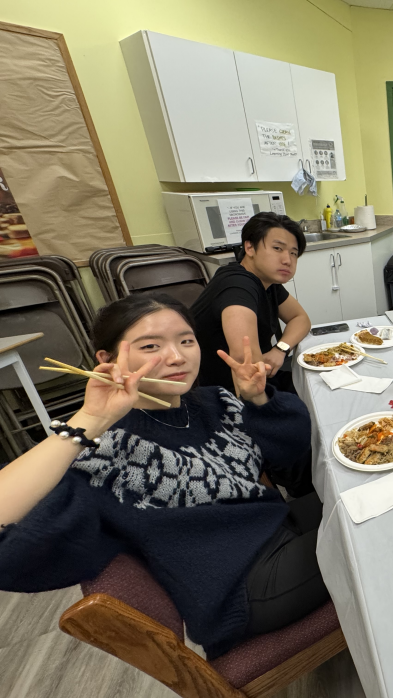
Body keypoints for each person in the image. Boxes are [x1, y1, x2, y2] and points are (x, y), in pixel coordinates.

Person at [0, 294, 329, 658]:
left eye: (186, 340)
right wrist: (89, 421)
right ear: (107, 360)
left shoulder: (214, 402)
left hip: (277, 526)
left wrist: (258, 400)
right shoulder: (105, 452)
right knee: (371, 533)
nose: (176, 357)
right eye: (150, 346)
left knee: (369, 500)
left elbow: (293, 451)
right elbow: (10, 555)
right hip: (246, 586)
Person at [192, 212, 310, 395]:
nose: (287, 260)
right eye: (277, 248)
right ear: (249, 247)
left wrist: (280, 350)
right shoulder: (238, 285)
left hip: (258, 378)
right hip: (221, 393)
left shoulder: (267, 281)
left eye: (293, 253)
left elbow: (300, 318)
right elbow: (244, 358)